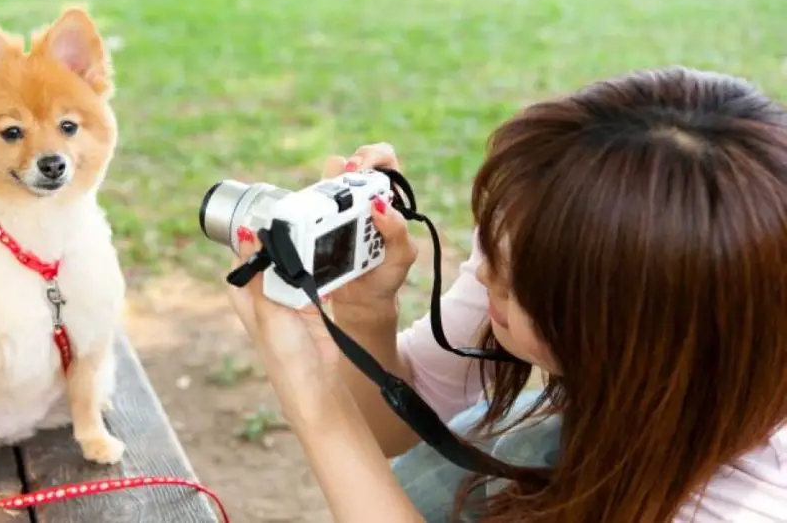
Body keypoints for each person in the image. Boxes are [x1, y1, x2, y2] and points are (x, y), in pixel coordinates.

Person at [226, 66, 787, 522]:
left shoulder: (742, 503)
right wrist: (366, 307)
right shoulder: (538, 241)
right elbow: (393, 427)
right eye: (490, 243)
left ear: (634, 337)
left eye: (516, 280)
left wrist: (311, 391)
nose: (485, 275)